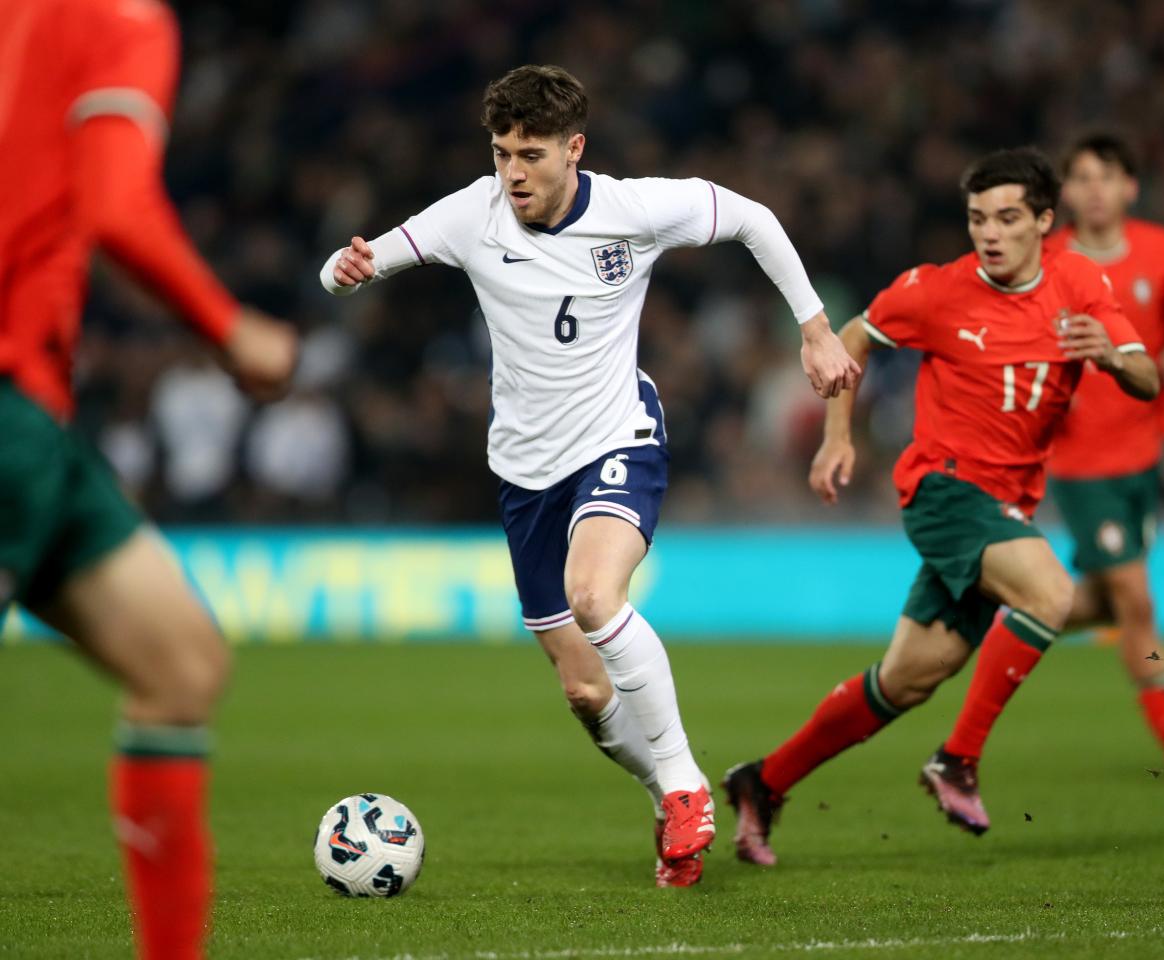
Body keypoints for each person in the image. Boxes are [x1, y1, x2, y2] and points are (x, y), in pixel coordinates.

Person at [320, 64, 859, 887]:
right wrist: (344, 269)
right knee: (582, 689)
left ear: (575, 148)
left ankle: (684, 783)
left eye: (530, 153)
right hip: (523, 473)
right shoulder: (474, 213)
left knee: (596, 596)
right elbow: (358, 263)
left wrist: (816, 330)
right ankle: (664, 799)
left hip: (617, 437)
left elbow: (752, 218)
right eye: (501, 152)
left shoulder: (632, 211)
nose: (513, 172)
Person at [722, 147, 1159, 866]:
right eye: (977, 218)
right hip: (943, 489)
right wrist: (838, 437)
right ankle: (958, 760)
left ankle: (762, 783)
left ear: (1045, 223)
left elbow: (1145, 375)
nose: (989, 233)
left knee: (907, 678)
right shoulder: (937, 291)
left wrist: (1111, 357)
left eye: (1008, 218)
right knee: (1050, 592)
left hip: (1006, 511)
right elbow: (852, 336)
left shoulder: (1079, 280)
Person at [0, 2, 298, 957]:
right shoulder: (120, 18)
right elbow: (117, 208)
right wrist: (229, 326)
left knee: (180, 664)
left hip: (35, 418)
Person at [1045, 133, 1164, 787]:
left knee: (1104, 602)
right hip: (1076, 461)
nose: (1094, 189)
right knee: (1136, 600)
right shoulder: (1047, 260)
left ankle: (1009, 616)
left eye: (1107, 176)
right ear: (1064, 192)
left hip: (1142, 453)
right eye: (1082, 177)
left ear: (1130, 187)